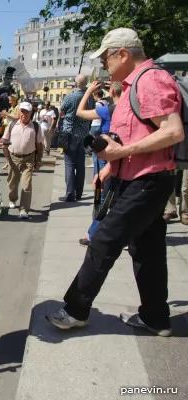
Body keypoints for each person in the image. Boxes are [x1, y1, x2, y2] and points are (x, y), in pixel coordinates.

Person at [46, 28, 184, 337]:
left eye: (106, 58)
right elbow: (139, 134)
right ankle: (155, 318)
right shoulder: (133, 84)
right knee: (147, 251)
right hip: (138, 178)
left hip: (147, 181)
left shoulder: (150, 80)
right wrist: (112, 165)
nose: (104, 65)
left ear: (122, 53)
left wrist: (121, 152)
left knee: (103, 242)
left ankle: (75, 310)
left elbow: (173, 131)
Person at [75, 81, 122, 246]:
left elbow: (80, 112)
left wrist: (88, 92)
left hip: (107, 156)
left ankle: (93, 234)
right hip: (124, 156)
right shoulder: (128, 109)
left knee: (102, 196)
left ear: (112, 92)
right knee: (117, 196)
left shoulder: (108, 110)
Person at [0, 102, 44, 219]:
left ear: (31, 113)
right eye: (22, 111)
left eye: (27, 111)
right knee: (12, 183)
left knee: (27, 185)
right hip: (13, 157)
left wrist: (38, 160)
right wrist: (0, 141)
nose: (24, 114)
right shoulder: (12, 124)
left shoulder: (36, 127)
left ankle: (24, 209)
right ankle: (12, 199)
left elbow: (39, 145)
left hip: (29, 158)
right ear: (19, 112)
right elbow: (5, 138)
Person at [59, 74, 95, 202]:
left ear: (75, 83)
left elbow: (61, 111)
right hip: (84, 133)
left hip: (70, 133)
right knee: (80, 165)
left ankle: (70, 193)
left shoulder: (70, 96)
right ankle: (79, 193)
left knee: (69, 164)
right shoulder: (90, 97)